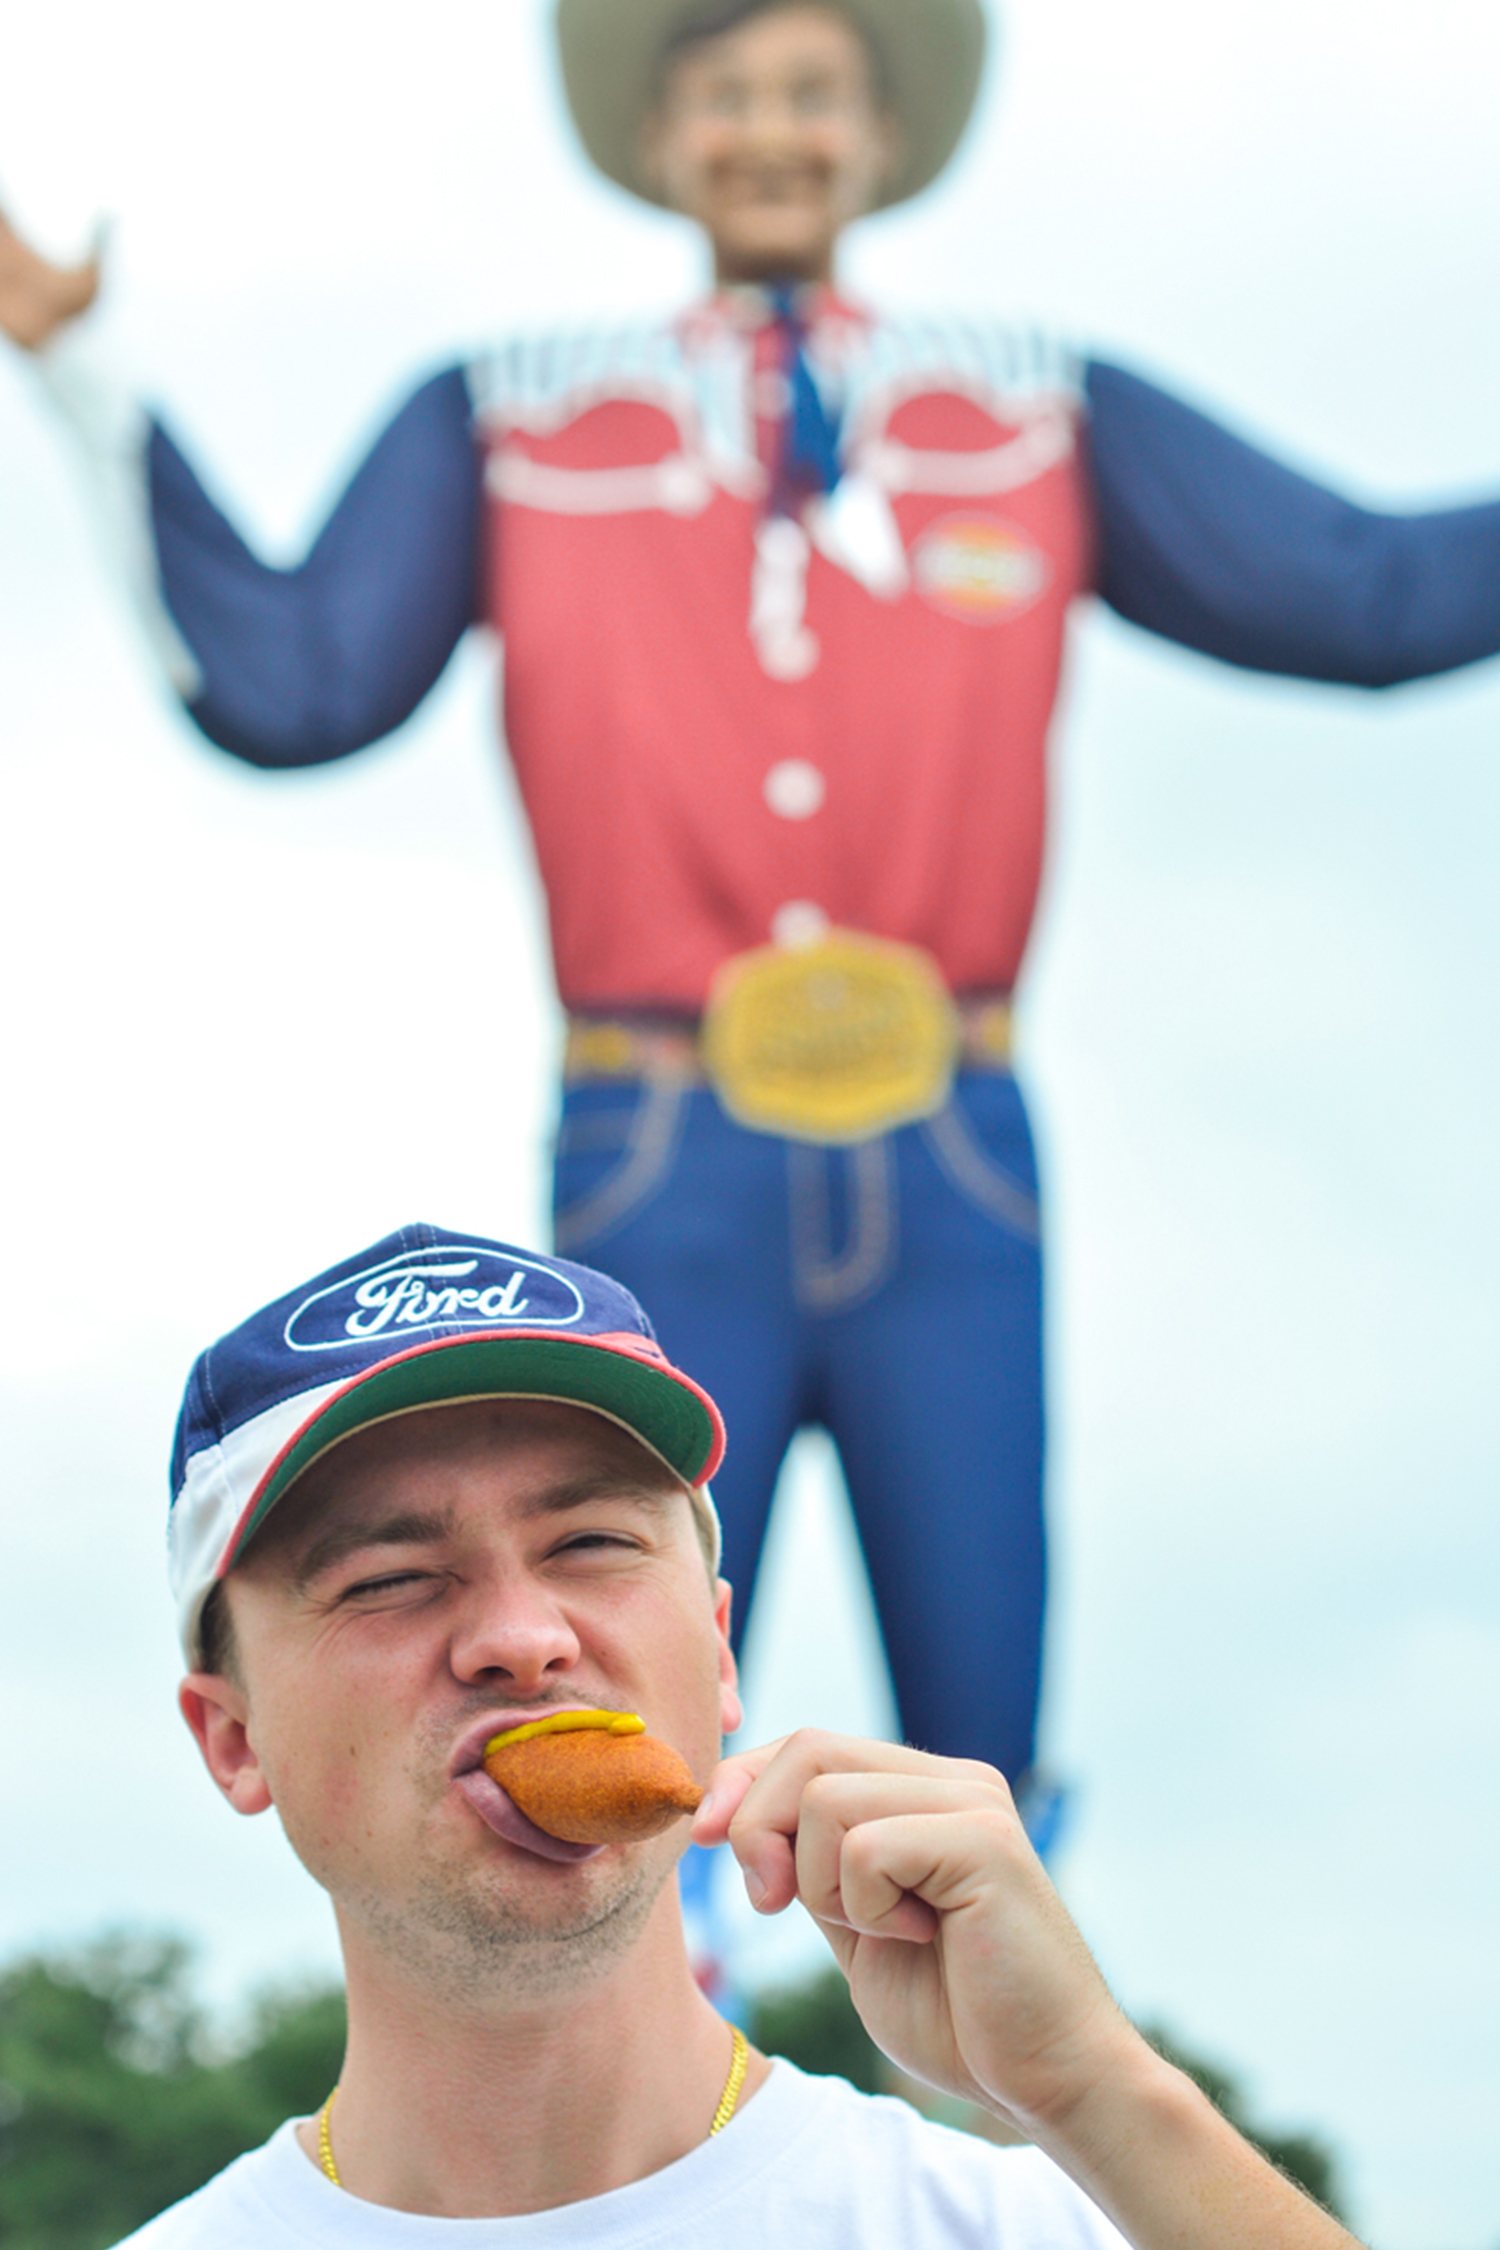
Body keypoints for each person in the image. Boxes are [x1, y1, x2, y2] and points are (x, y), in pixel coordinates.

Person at [5, 0, 1500, 1799]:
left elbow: (1370, 595)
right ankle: (632, 2074)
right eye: (728, 95)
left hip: (949, 1135)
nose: (773, 132)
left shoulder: (1033, 397)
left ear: (883, 133)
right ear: (659, 134)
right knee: (611, 1706)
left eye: (815, 93)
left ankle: (982, 2078)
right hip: (659, 1146)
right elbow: (296, 681)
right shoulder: (509, 411)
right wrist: (85, 374)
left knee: (984, 1731)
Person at [132, 1216, 1364, 2245]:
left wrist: (1090, 2085)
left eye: (590, 1543)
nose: (522, 1636)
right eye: (391, 1577)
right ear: (232, 1740)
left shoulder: (1037, 2221)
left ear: (719, 1654)